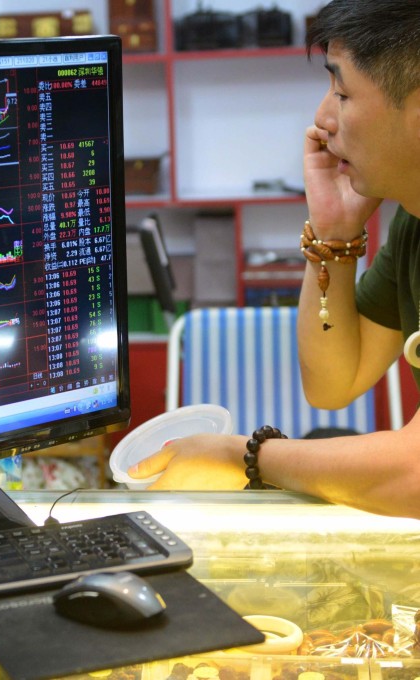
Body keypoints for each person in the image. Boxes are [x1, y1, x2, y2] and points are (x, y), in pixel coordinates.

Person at [127, 0, 420, 519]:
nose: (323, 117)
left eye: (343, 91)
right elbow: (335, 382)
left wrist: (247, 457)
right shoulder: (413, 223)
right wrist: (334, 236)